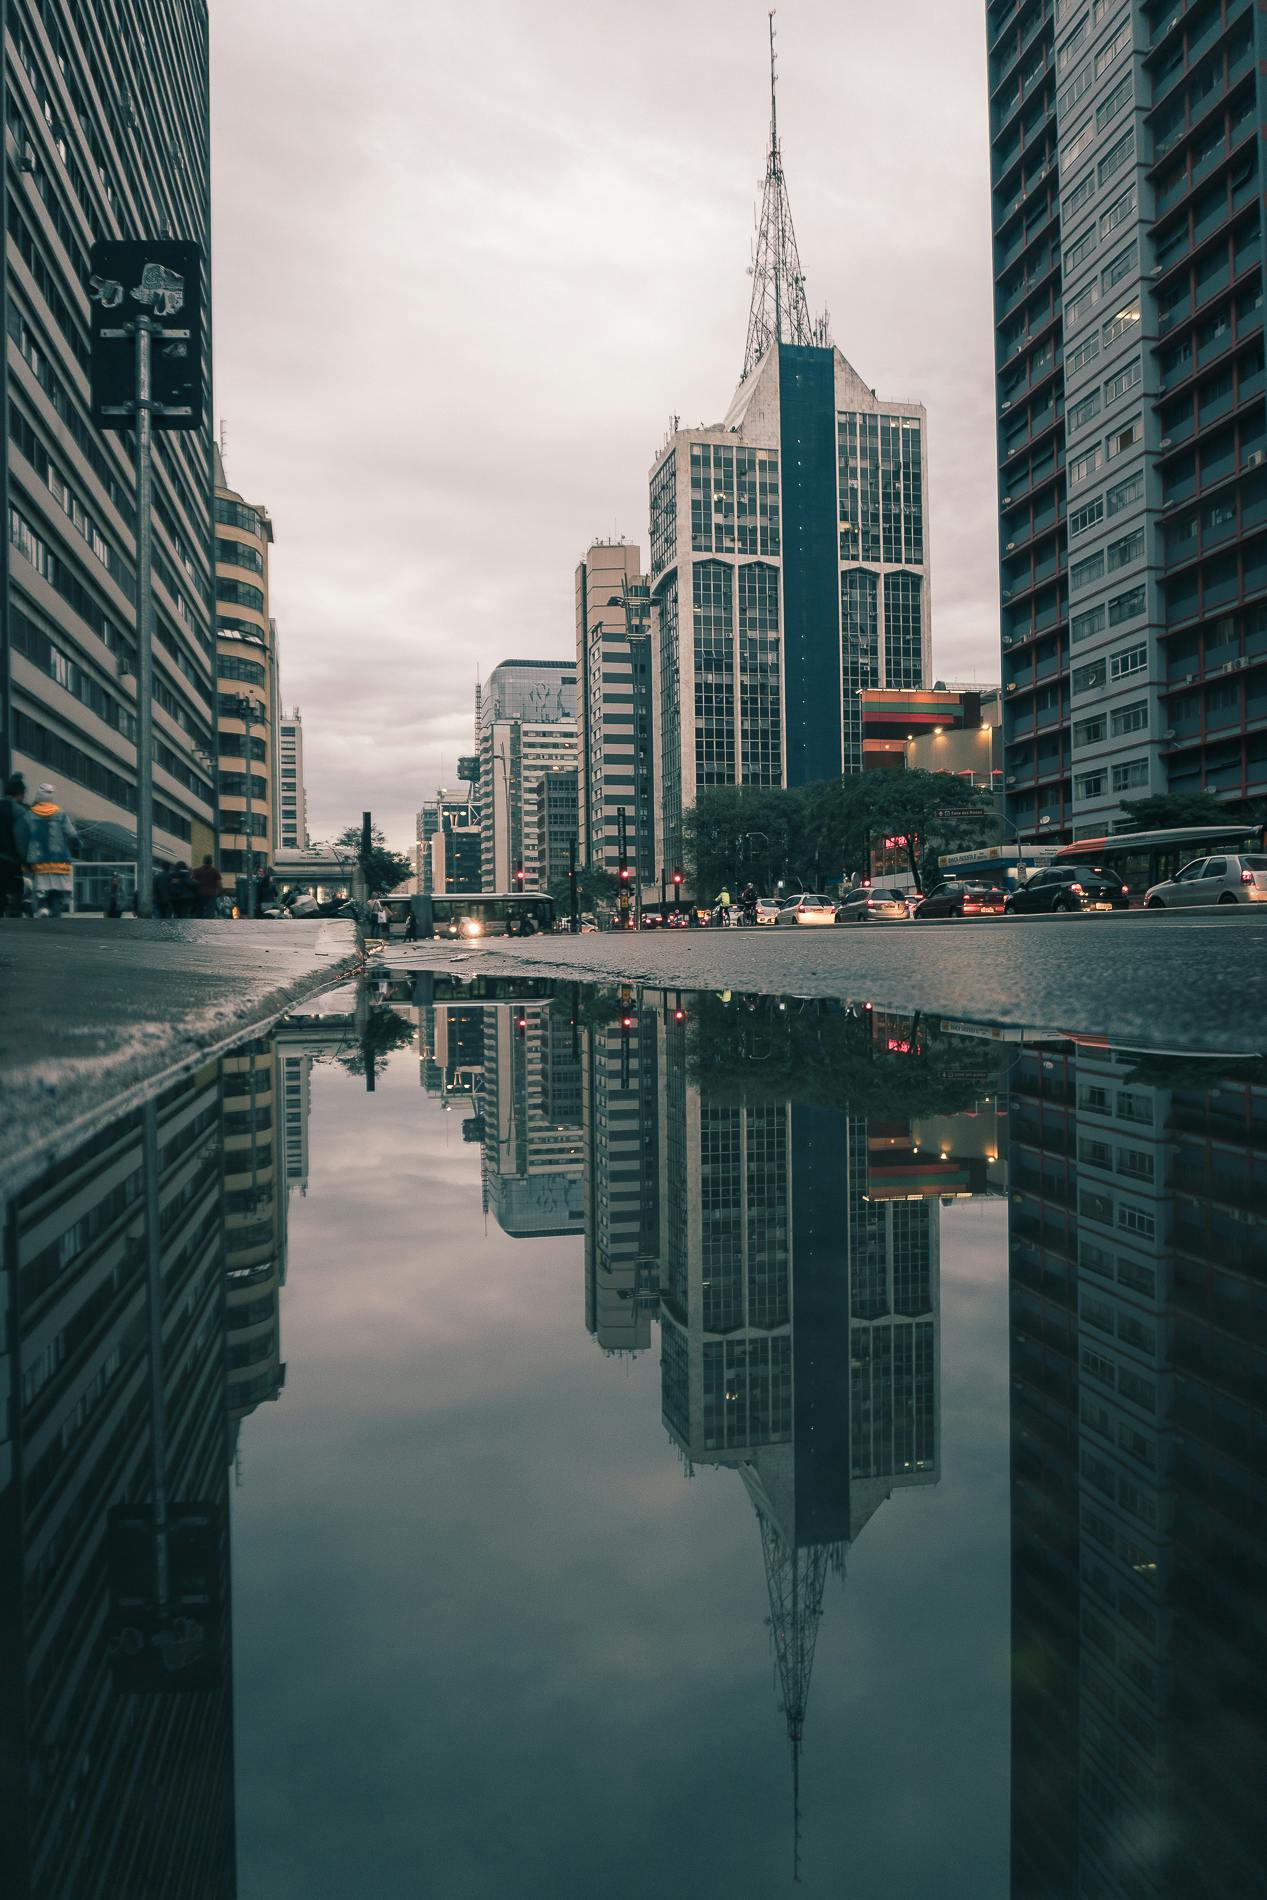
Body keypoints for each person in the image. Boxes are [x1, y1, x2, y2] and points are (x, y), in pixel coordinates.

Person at [26, 783, 79, 917]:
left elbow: (24, 835)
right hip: (59, 861)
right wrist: (77, 843)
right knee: (56, 894)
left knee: (41, 892)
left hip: (38, 861)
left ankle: (43, 908)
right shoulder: (60, 814)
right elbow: (72, 834)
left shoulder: (29, 814)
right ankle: (55, 915)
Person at [1, 772, 29, 918]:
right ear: (19, 794)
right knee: (15, 903)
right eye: (23, 795)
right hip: (9, 863)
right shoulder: (19, 812)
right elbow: (20, 840)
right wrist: (25, 860)